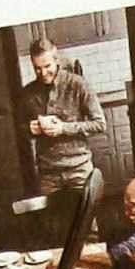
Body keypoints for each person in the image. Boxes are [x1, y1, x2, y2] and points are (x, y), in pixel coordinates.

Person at [25, 37, 101, 198]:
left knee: (86, 221)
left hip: (79, 169)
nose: (43, 73)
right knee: (52, 222)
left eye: (47, 66)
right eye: (37, 68)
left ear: (56, 60)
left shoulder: (78, 84)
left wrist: (63, 128)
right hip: (48, 175)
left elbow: (99, 123)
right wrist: (30, 129)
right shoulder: (28, 93)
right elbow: (19, 129)